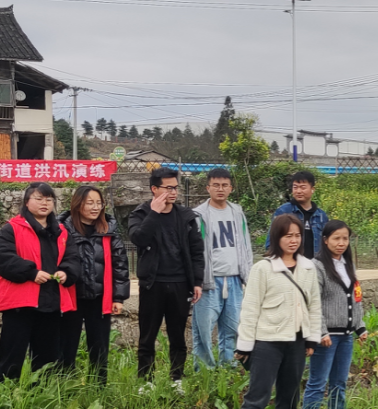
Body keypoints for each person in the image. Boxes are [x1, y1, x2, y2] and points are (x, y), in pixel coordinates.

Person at [235, 215, 323, 409]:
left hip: (296, 341)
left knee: (290, 393)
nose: (293, 240)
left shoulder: (308, 268)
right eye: (287, 236)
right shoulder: (263, 269)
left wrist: (311, 339)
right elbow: (250, 308)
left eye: (297, 235)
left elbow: (313, 305)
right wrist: (244, 346)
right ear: (276, 238)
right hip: (267, 342)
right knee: (258, 394)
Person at [0, 182, 80, 381]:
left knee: (47, 360)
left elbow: (73, 258)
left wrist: (66, 272)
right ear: (26, 202)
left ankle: (42, 400)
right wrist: (31, 273)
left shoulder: (61, 232)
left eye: (49, 199)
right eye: (39, 198)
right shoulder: (11, 229)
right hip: (20, 305)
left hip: (50, 303)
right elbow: (3, 259)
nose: (45, 203)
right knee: (11, 358)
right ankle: (4, 401)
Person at [128, 167, 205, 391]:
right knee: (147, 335)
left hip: (180, 283)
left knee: (178, 335)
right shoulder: (141, 214)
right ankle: (146, 381)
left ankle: (176, 379)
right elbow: (139, 239)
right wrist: (154, 213)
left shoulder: (185, 216)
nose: (173, 192)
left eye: (175, 187)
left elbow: (196, 252)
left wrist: (197, 282)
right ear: (154, 189)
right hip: (152, 284)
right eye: (168, 187)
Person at [59, 186, 130, 383]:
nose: (95, 207)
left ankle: (98, 386)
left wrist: (118, 297)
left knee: (99, 346)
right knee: (67, 344)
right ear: (78, 204)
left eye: (99, 203)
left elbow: (120, 264)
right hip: (71, 296)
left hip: (99, 297)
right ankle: (66, 384)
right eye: (90, 202)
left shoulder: (108, 230)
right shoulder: (62, 230)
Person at [303, 221, 368, 409]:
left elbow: (355, 297)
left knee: (339, 381)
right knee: (318, 381)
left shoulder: (348, 264)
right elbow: (313, 302)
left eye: (345, 238)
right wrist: (321, 331)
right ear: (325, 240)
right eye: (336, 238)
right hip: (327, 336)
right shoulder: (317, 266)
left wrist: (360, 326)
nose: (341, 243)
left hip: (346, 335)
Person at [192, 168, 254, 370]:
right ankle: (204, 371)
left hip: (235, 279)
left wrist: (248, 275)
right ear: (207, 187)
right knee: (203, 328)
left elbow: (245, 245)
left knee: (232, 327)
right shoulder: (199, 214)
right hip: (209, 281)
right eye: (216, 185)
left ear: (231, 188)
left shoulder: (237, 212)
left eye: (224, 185)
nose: (220, 189)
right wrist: (197, 280)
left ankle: (229, 368)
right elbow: (195, 249)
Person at [268, 170, 328, 259]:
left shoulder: (321, 216)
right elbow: (271, 242)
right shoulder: (283, 211)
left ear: (312, 189)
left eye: (303, 187)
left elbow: (327, 244)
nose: (298, 191)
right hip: (290, 265)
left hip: (315, 266)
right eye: (295, 187)